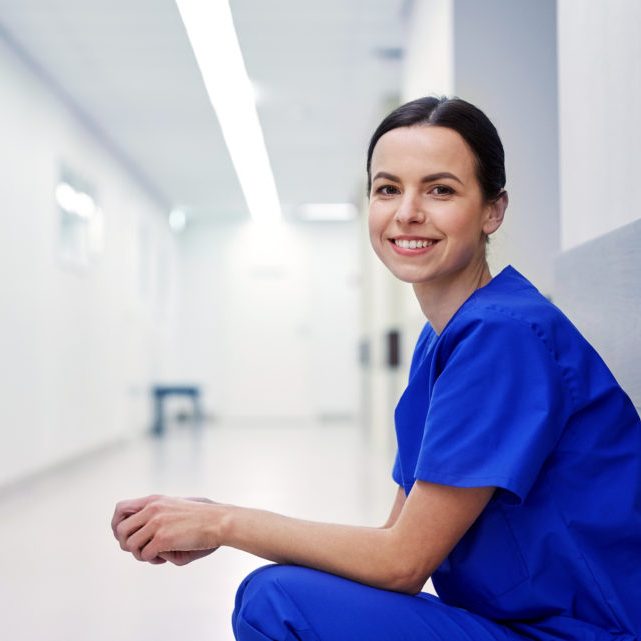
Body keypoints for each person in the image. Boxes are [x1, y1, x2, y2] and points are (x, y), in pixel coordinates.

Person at [111, 96, 641, 641]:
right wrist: (214, 518)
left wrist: (223, 522)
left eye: (440, 190)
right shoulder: (442, 340)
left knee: (275, 601)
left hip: (587, 632)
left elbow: (402, 564)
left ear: (493, 210)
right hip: (520, 623)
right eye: (388, 189)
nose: (407, 212)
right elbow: (394, 543)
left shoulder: (503, 336)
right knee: (281, 592)